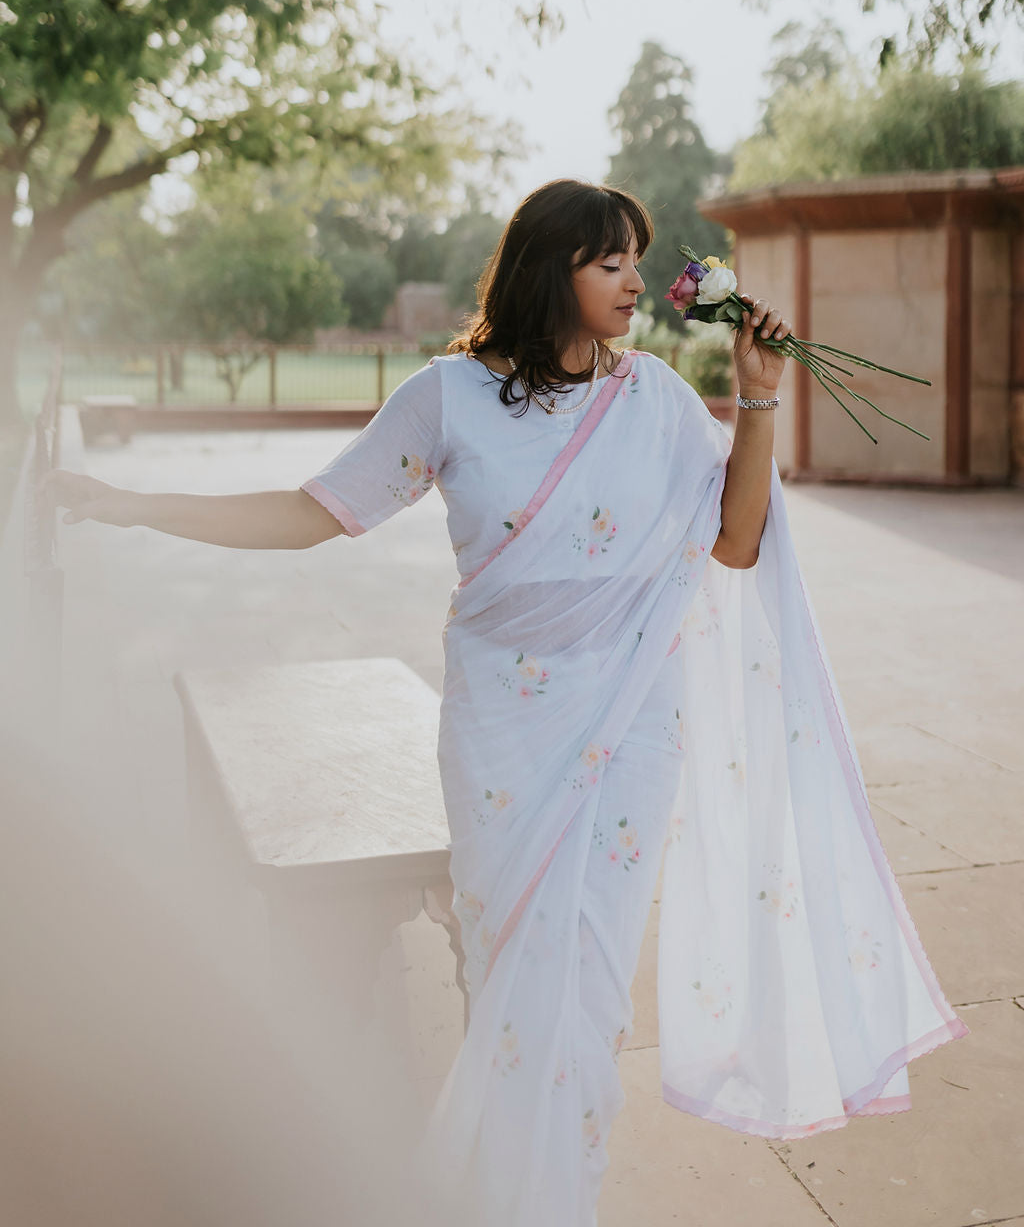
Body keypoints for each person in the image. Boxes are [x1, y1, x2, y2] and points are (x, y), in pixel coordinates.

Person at [45, 179, 967, 1227]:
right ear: (549, 267)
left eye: (637, 260)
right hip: (504, 734)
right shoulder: (446, 397)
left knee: (583, 1005)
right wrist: (132, 507)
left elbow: (736, 542)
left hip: (626, 732)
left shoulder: (656, 398)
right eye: (608, 261)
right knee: (509, 983)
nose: (634, 282)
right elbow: (314, 515)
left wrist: (756, 394)